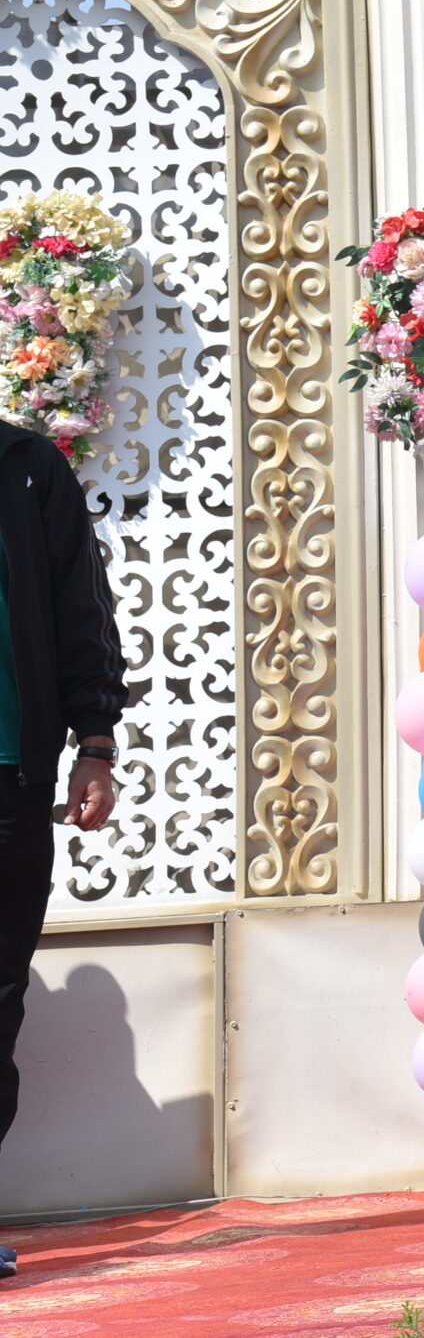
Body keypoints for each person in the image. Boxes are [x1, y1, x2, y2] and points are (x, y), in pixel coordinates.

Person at [0, 418, 128, 1277]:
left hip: (10, 780)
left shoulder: (28, 466)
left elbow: (82, 606)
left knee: (0, 1001)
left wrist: (96, 743)